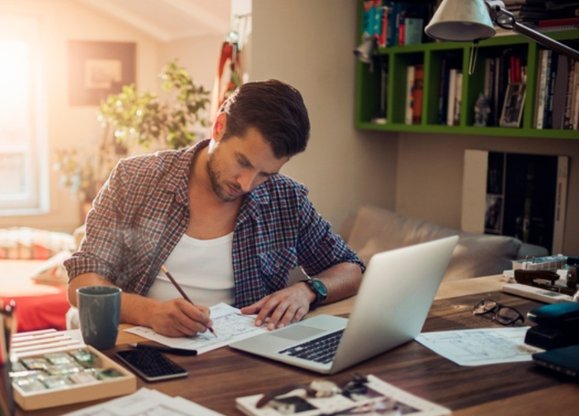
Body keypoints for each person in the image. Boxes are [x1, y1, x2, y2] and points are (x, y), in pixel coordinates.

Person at [65, 79, 364, 337]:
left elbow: (351, 269)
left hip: (239, 355)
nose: (247, 184)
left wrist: (309, 290)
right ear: (219, 127)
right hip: (136, 345)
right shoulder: (134, 179)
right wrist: (149, 313)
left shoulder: (287, 199)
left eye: (265, 174)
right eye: (243, 162)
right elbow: (82, 280)